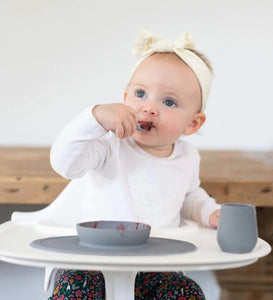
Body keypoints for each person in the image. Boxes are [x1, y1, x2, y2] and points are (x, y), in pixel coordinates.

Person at [47, 29, 221, 300]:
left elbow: (189, 198)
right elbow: (63, 163)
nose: (149, 108)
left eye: (168, 101)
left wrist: (209, 211)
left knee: (187, 292)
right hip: (94, 262)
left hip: (158, 267)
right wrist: (94, 118)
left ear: (193, 123)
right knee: (74, 286)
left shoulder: (187, 157)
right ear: (125, 97)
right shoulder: (109, 145)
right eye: (141, 93)